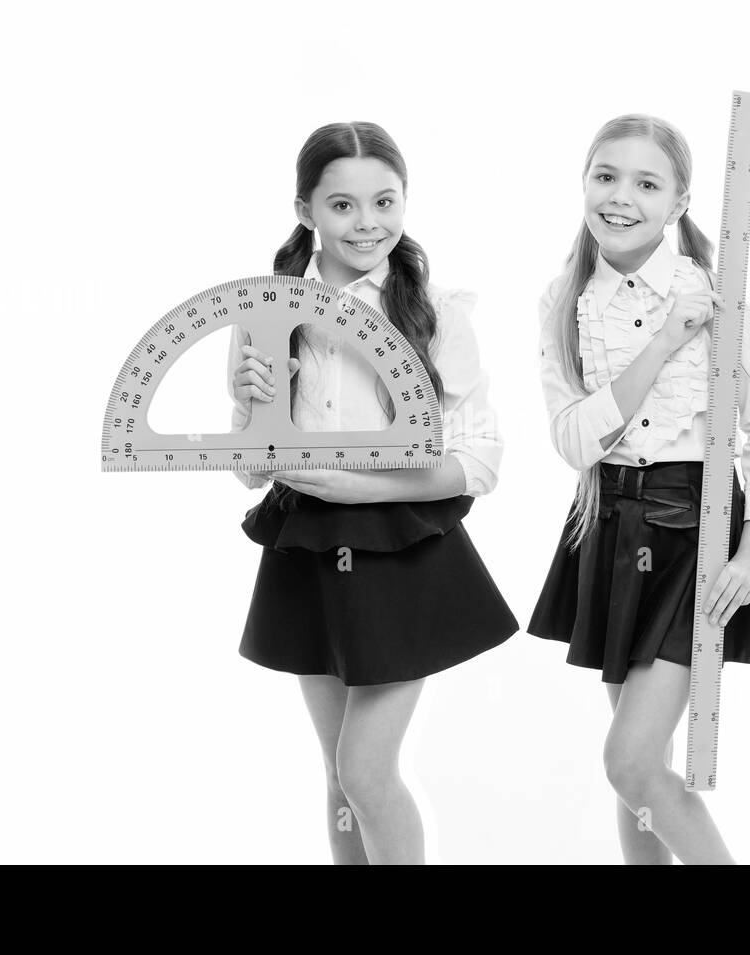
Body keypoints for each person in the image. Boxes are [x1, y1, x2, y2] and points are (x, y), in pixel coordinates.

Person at [227, 121, 518, 865]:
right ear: (305, 211)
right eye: (344, 206)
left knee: (364, 768)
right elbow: (254, 470)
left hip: (403, 550)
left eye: (385, 201)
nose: (369, 224)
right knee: (338, 779)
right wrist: (250, 409)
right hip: (305, 548)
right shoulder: (266, 311)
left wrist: (359, 488)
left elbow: (479, 461)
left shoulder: (438, 311)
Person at [528, 113, 750, 865]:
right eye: (605, 176)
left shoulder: (719, 299)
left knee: (631, 762)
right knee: (637, 775)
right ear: (584, 183)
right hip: (608, 525)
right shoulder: (562, 302)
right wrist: (663, 341)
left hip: (694, 536)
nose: (620, 197)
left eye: (647, 183)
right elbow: (577, 441)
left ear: (679, 203)